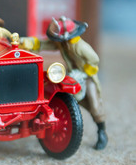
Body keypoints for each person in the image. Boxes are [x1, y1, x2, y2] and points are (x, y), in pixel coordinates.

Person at [21, 16, 108, 150]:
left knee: (94, 105)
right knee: (61, 99)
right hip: (71, 75)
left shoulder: (81, 47)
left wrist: (83, 73)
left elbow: (94, 61)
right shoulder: (63, 43)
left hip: (86, 77)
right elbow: (46, 44)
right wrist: (28, 42)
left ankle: (101, 132)